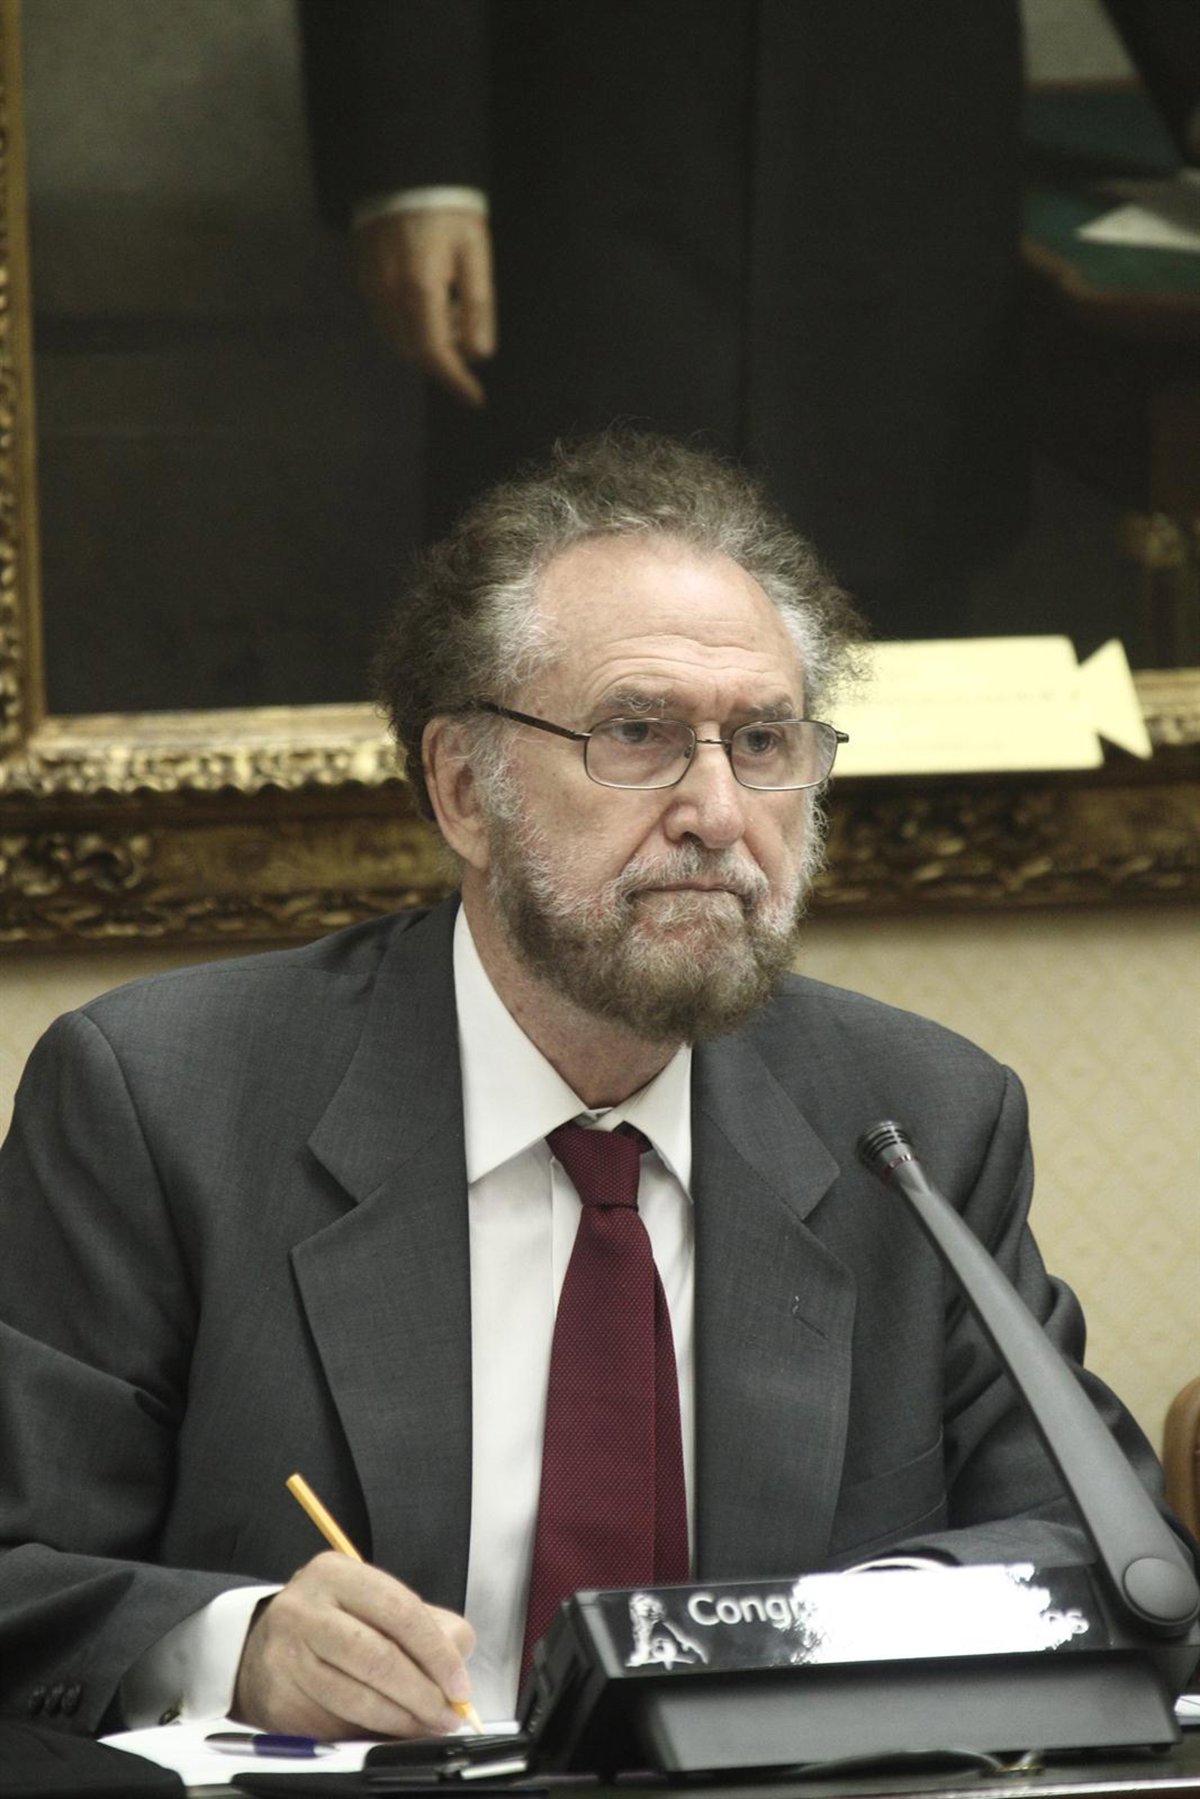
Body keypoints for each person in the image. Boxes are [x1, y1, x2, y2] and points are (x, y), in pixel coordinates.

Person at [0, 433, 1185, 1741]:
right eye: (638, 734)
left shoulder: (917, 1119)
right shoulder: (162, 1102)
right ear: (464, 788)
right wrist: (237, 1644)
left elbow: (1111, 1557)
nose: (719, 810)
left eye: (765, 740)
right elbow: (22, 1570)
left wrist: (827, 1638)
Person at [298, 0, 1027, 637]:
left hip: (900, 132)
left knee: (896, 565)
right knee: (552, 581)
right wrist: (412, 160)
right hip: (576, 135)